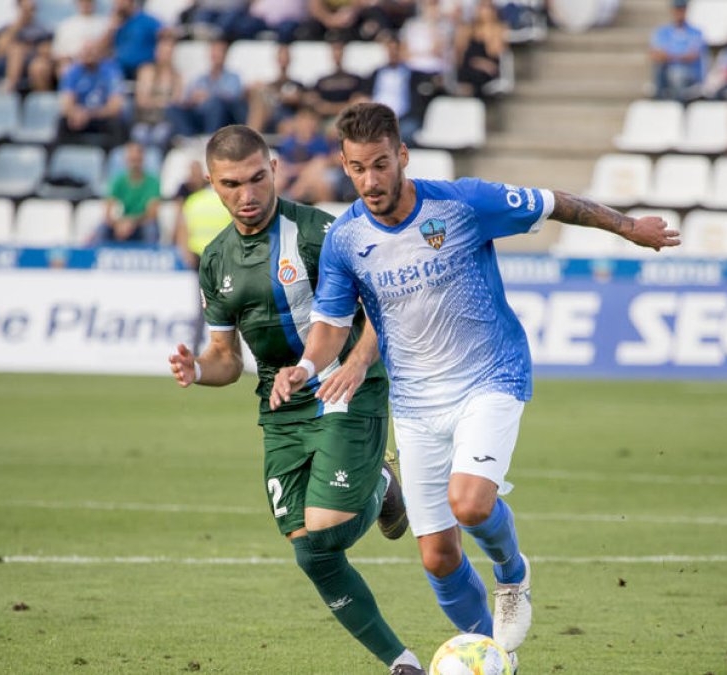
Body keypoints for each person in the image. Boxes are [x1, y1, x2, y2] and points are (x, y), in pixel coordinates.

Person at [269, 102, 679, 665]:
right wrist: (308, 368)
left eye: (381, 165)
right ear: (344, 163)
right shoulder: (346, 241)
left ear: (402, 156)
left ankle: (513, 574)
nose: (370, 180)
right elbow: (332, 324)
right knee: (437, 557)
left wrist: (629, 228)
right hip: (414, 405)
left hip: (489, 377)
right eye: (358, 168)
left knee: (469, 504)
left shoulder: (460, 204)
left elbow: (556, 203)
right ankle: (495, 657)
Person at [167, 125, 426, 675]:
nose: (248, 194)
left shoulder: (321, 234)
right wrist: (198, 369)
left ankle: (379, 483)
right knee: (310, 549)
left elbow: (384, 313)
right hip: (281, 407)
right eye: (232, 183)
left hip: (345, 388)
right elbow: (227, 359)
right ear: (211, 184)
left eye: (258, 177)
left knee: (327, 527)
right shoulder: (215, 261)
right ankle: (402, 663)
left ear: (274, 169)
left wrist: (355, 365)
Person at [57, 39, 127, 147]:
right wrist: (75, 113)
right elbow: (66, 104)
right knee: (62, 122)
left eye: (92, 51)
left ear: (100, 53)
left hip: (101, 117)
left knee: (116, 124)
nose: (89, 54)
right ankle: (59, 156)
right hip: (79, 117)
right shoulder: (73, 72)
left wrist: (89, 114)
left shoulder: (111, 71)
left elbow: (115, 106)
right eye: (86, 51)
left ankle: (112, 157)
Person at [0, 0, 55, 92]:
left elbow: (45, 49)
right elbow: (0, 48)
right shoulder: (7, 27)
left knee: (16, 51)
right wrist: (18, 24)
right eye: (24, 9)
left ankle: (9, 86)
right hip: (3, 61)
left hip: (27, 62)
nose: (27, 12)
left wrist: (25, 49)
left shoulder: (41, 29)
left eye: (30, 9)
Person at [92, 142, 161, 245]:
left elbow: (152, 214)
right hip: (119, 223)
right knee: (102, 229)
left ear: (142, 159)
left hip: (140, 224)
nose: (134, 164)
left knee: (150, 229)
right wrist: (118, 224)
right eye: (132, 160)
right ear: (126, 160)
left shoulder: (153, 182)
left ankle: (150, 256)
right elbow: (108, 210)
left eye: (137, 160)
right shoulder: (117, 181)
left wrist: (131, 222)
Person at [181, 39, 248, 135]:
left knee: (216, 103)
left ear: (225, 55)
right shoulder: (200, 78)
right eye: (214, 51)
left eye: (219, 51)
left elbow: (232, 97)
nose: (216, 55)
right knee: (173, 108)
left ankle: (211, 137)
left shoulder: (233, 77)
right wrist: (193, 99)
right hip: (200, 114)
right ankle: (187, 139)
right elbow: (189, 97)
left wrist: (208, 95)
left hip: (223, 117)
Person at [649, 0, 707, 101]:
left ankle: (677, 103)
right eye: (677, 9)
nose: (679, 12)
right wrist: (680, 56)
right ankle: (660, 102)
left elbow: (692, 56)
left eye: (682, 9)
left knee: (677, 74)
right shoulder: (663, 31)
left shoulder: (695, 32)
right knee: (661, 69)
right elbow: (655, 55)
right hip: (666, 72)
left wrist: (668, 56)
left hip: (689, 74)